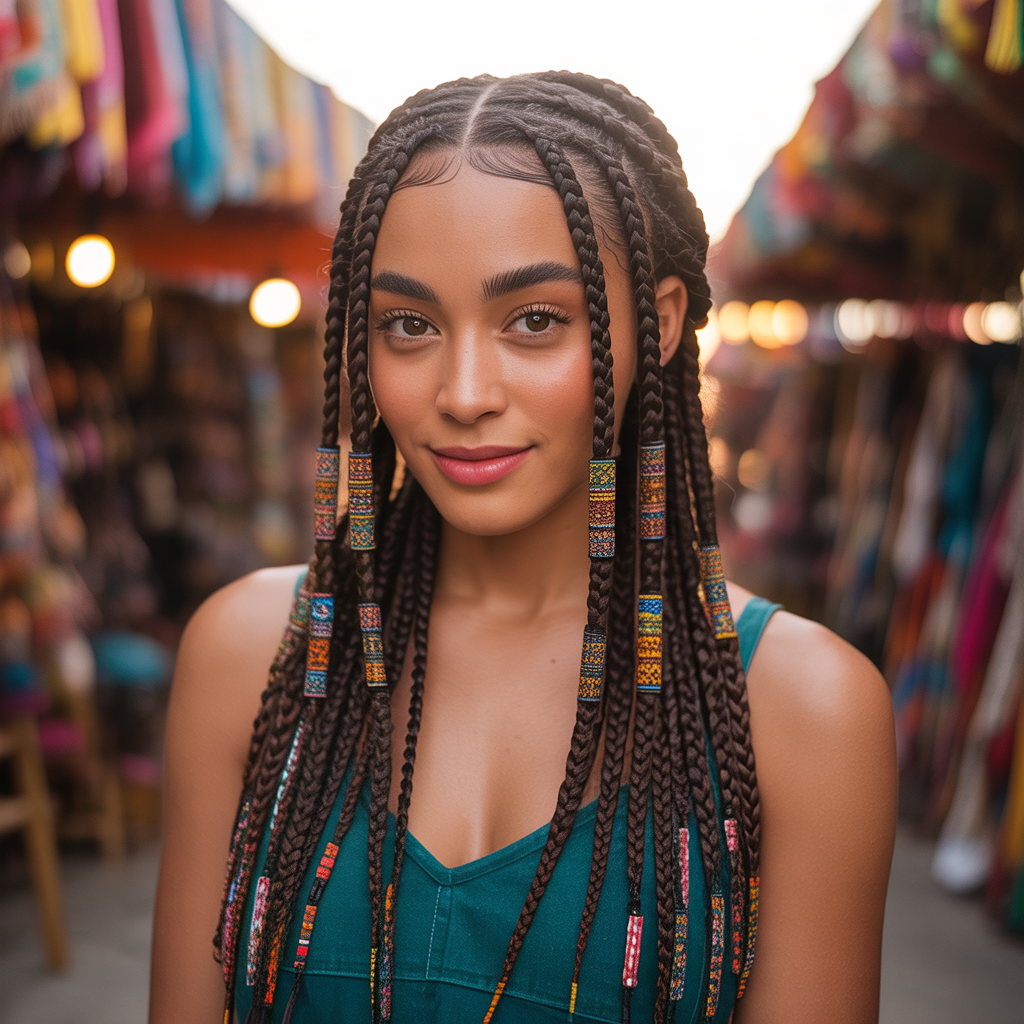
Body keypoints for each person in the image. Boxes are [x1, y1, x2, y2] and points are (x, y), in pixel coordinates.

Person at [149, 73, 897, 1024]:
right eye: (409, 325)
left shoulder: (803, 713)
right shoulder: (252, 655)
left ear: (658, 325)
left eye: (535, 320)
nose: (464, 391)